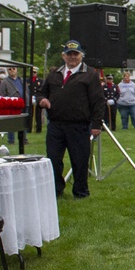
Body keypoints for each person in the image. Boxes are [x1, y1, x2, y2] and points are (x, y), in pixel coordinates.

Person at [37, 40, 106, 199]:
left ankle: (81, 192)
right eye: (69, 54)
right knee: (53, 159)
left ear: (81, 55)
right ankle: (56, 189)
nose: (72, 57)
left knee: (80, 161)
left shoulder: (90, 74)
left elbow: (98, 101)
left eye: (76, 54)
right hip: (55, 125)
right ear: (63, 56)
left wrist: (96, 124)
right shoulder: (54, 73)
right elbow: (41, 93)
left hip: (79, 125)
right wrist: (42, 101)